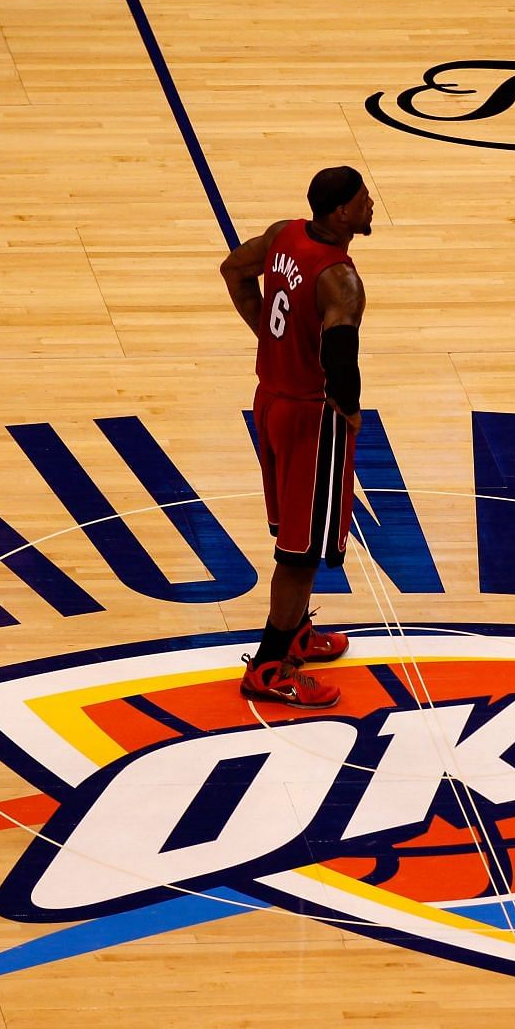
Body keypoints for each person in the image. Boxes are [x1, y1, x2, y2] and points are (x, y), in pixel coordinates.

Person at [219, 165, 375, 707]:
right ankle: (270, 666)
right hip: (312, 416)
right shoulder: (340, 277)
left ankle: (296, 633)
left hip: (270, 402)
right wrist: (349, 411)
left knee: (293, 533)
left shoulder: (285, 233)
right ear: (341, 214)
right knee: (300, 551)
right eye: (363, 200)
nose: (371, 205)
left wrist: (267, 333)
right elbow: (340, 355)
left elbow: (233, 270)